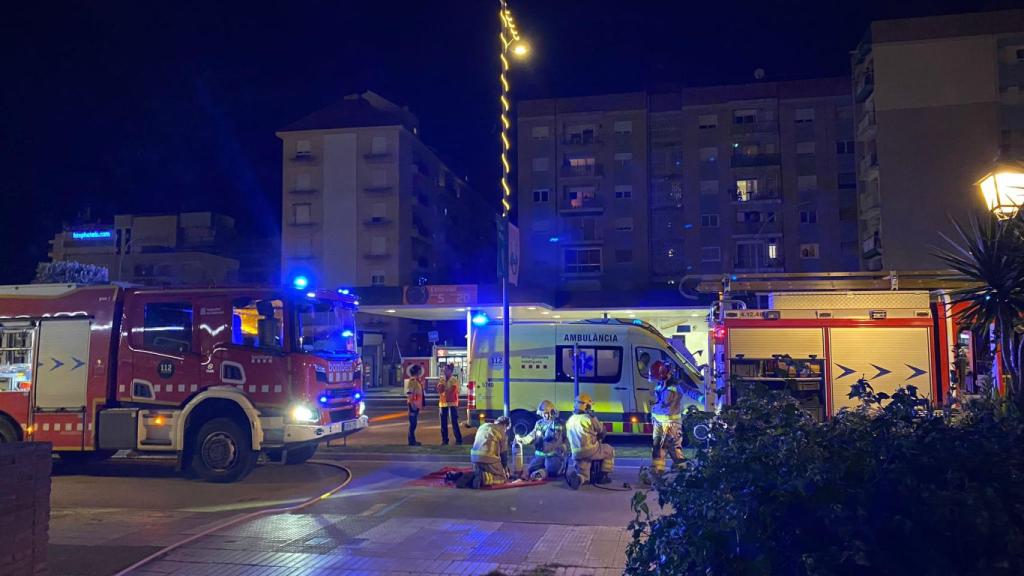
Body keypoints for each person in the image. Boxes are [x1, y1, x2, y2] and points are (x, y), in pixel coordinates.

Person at [565, 393, 615, 489]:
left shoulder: (570, 420)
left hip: (576, 453)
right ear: (587, 405)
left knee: (584, 476)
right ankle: (603, 476)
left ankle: (579, 479)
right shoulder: (589, 418)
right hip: (591, 450)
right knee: (609, 450)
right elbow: (601, 430)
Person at [648, 361, 685, 475]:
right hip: (658, 422)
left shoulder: (676, 385)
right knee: (657, 447)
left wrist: (706, 399)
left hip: (671, 422)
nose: (656, 379)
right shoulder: (660, 384)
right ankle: (657, 472)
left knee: (672, 448)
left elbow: (691, 392)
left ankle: (683, 472)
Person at [519, 400, 567, 480]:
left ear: (551, 413)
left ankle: (549, 471)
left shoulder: (558, 424)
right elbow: (532, 435)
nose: (543, 416)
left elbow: (557, 437)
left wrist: (563, 447)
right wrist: (522, 440)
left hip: (553, 456)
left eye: (545, 413)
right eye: (542, 414)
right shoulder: (539, 423)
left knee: (552, 471)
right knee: (531, 468)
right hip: (540, 455)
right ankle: (540, 472)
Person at [470, 415, 511, 488]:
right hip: (488, 459)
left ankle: (476, 475)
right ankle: (483, 478)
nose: (505, 430)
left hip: (474, 459)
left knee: (485, 471)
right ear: (505, 425)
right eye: (506, 429)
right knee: (502, 478)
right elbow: (503, 455)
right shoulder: (502, 431)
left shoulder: (483, 426)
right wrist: (504, 470)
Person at [437, 363, 463, 445]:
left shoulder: (454, 380)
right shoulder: (442, 380)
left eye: (446, 370)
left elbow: (454, 390)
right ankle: (445, 440)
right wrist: (444, 387)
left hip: (452, 404)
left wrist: (445, 388)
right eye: (443, 370)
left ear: (450, 371)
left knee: (454, 422)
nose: (444, 371)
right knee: (443, 423)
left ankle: (458, 440)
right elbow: (440, 390)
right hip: (442, 404)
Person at [404, 364, 425, 446]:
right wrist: (412, 405)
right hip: (413, 405)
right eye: (419, 370)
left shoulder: (416, 380)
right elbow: (410, 393)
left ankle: (412, 441)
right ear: (417, 372)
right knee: (413, 424)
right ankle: (411, 441)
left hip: (416, 405)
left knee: (414, 423)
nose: (420, 372)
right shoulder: (413, 381)